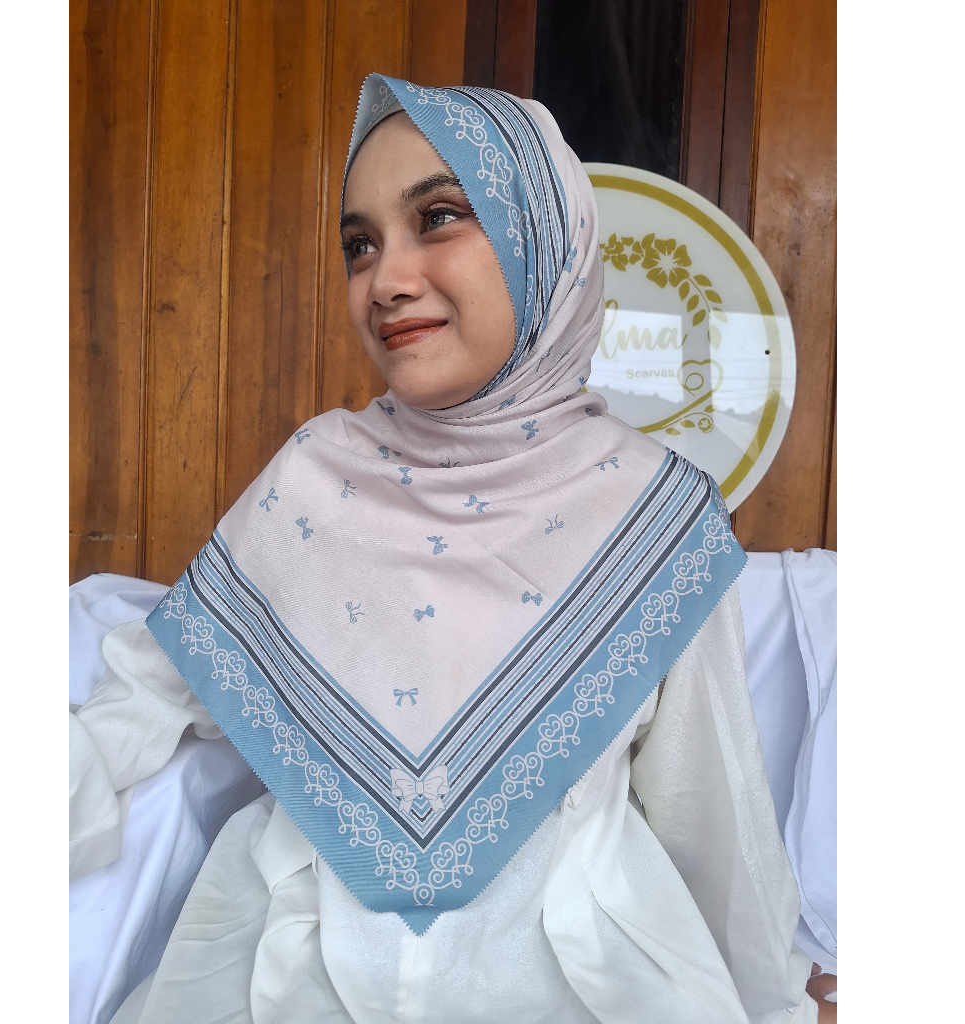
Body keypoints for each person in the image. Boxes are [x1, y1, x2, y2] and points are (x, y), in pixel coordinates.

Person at [70, 74, 832, 1023]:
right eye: (359, 244)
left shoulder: (655, 514)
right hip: (283, 969)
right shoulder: (314, 476)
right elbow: (147, 695)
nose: (385, 280)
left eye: (437, 217)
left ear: (545, 241)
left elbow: (708, 817)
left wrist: (774, 999)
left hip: (583, 978)